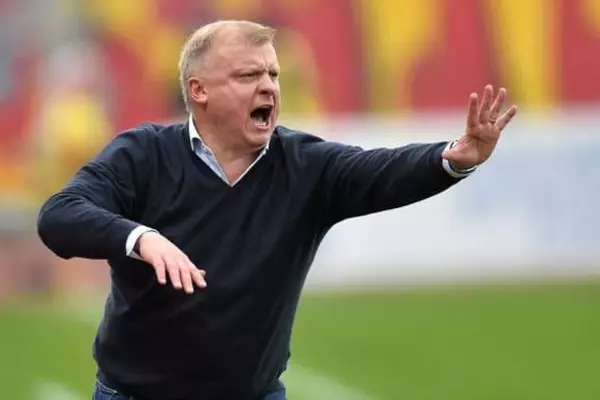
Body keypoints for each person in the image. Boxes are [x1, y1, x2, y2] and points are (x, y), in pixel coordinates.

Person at [36, 20, 518, 400]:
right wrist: (141, 238)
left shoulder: (306, 166)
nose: (268, 87)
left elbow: (382, 170)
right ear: (199, 90)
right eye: (248, 75)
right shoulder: (143, 155)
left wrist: (454, 158)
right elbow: (59, 215)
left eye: (273, 74)